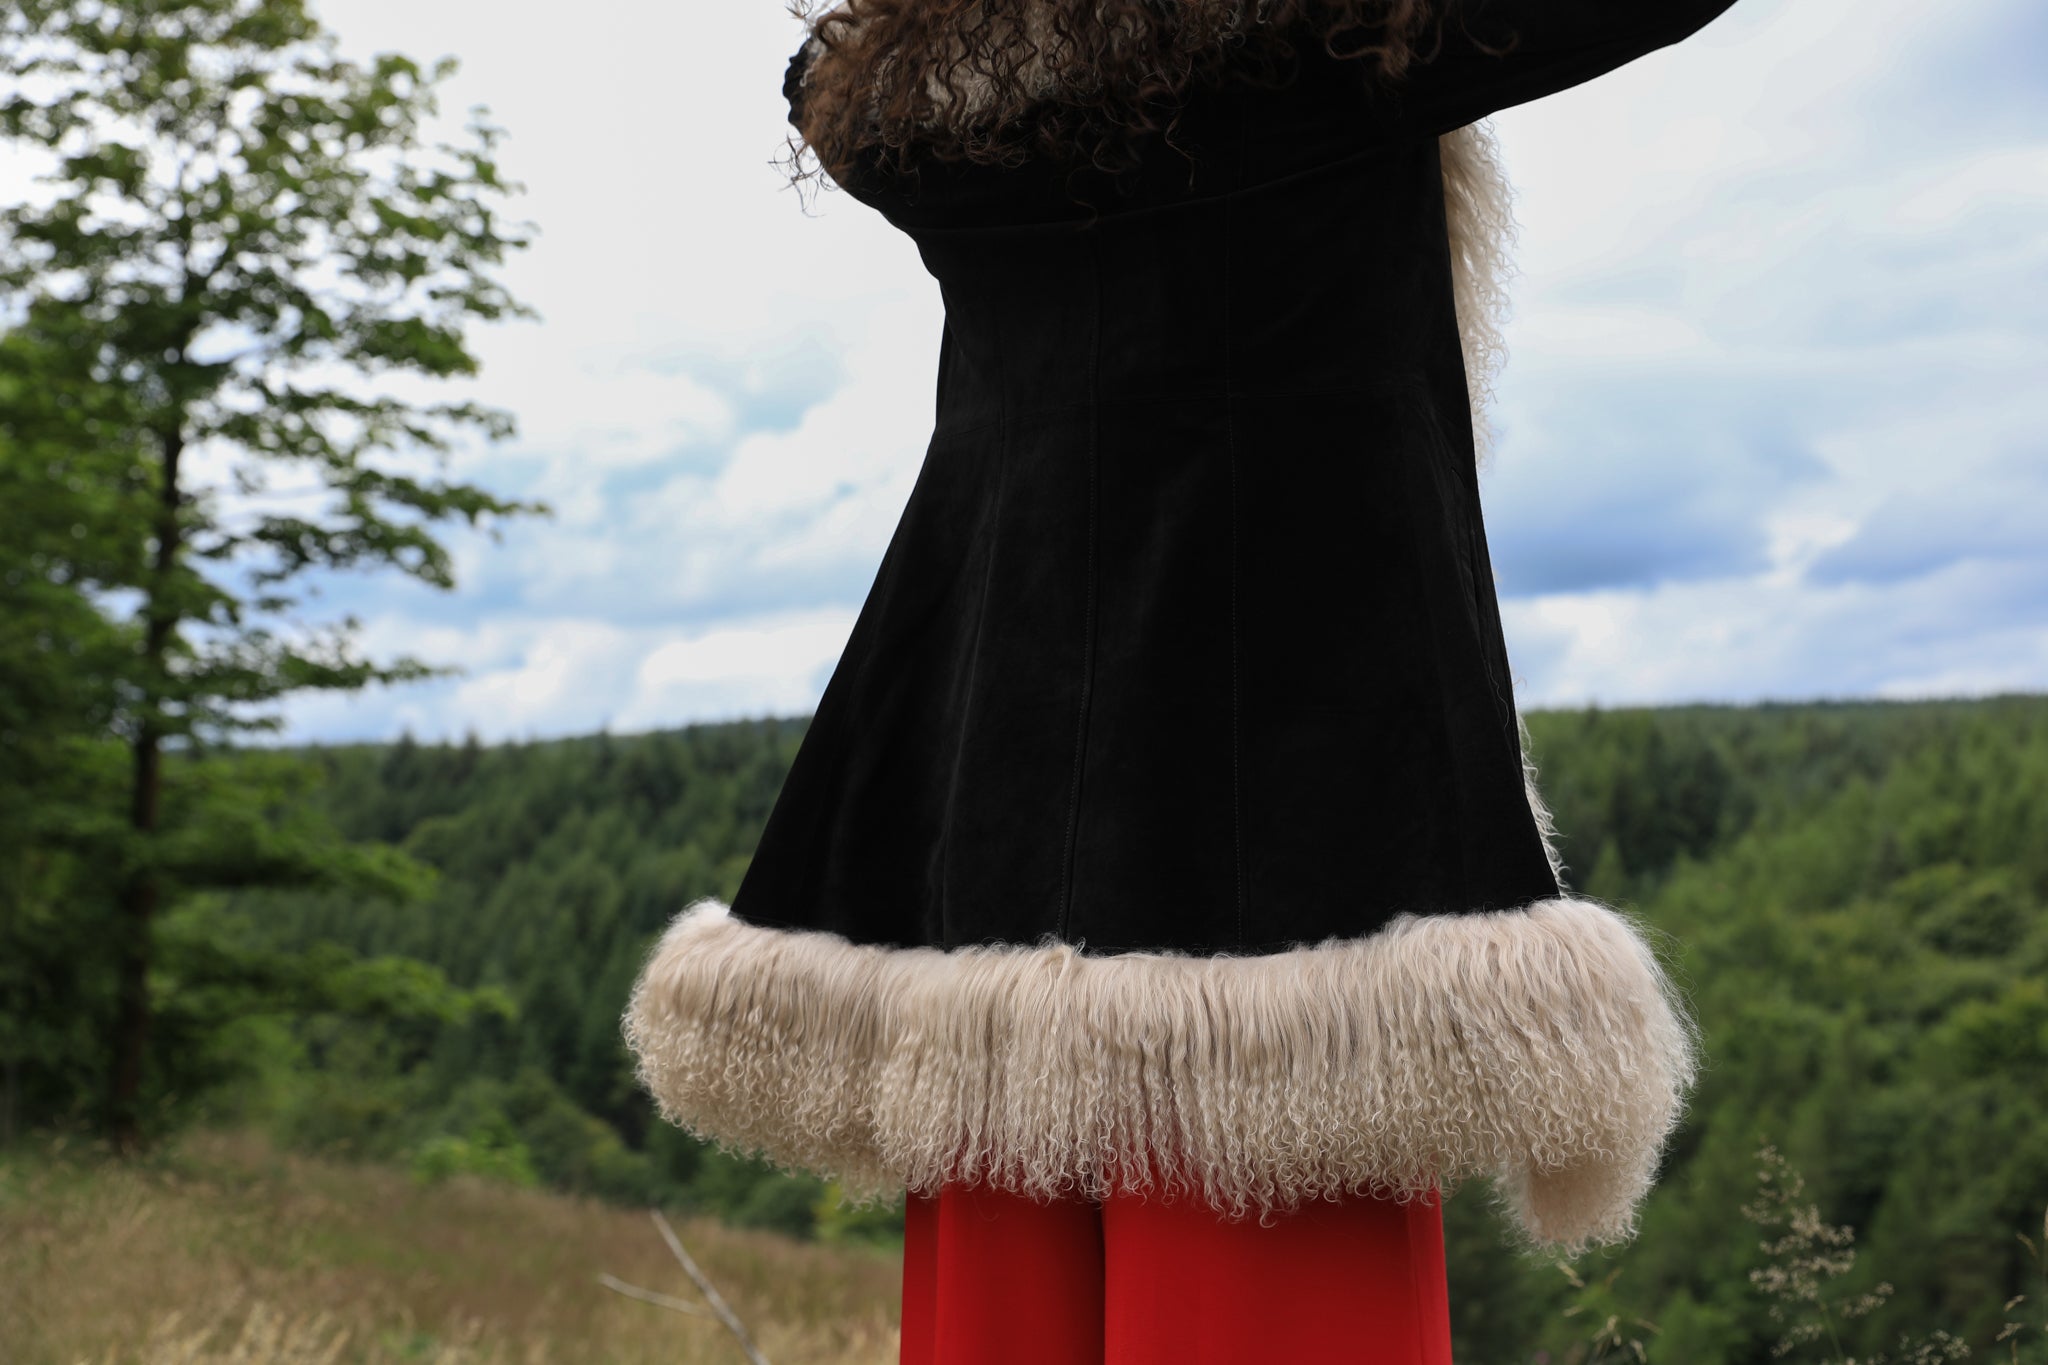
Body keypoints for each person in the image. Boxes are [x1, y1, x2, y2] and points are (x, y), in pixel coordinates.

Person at [625, 0, 1742, 1358]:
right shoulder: (1308, 46)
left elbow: (817, 75)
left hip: (991, 789)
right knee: (1277, 1291)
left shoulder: (910, 101)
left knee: (1001, 1308)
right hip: (1287, 803)